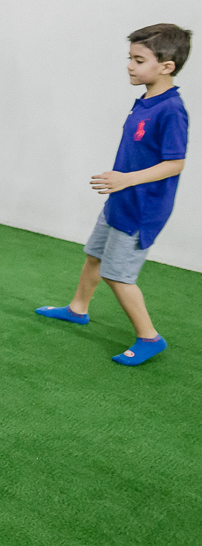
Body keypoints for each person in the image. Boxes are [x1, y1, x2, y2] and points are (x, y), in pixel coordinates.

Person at [36, 24, 190, 365]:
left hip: (142, 209)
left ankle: (150, 336)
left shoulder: (172, 110)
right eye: (130, 58)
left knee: (116, 274)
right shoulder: (147, 101)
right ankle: (78, 308)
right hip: (120, 199)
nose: (130, 66)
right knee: (94, 255)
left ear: (167, 66)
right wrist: (121, 184)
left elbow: (175, 163)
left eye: (139, 60)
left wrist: (127, 179)